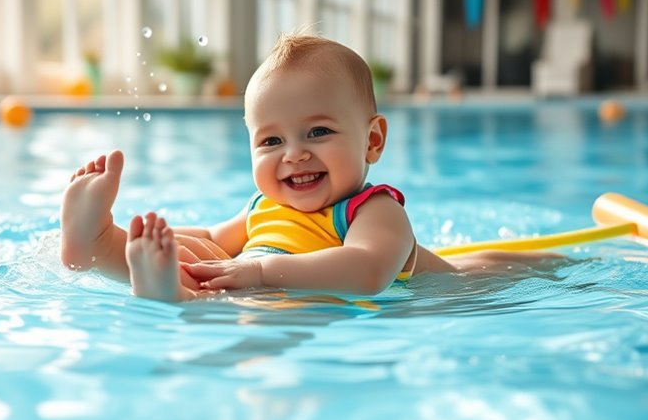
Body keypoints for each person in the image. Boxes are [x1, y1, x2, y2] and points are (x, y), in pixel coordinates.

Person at [60, 33, 558, 302]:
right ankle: (100, 243)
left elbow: (366, 273)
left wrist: (259, 271)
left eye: (317, 132)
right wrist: (154, 238)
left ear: (373, 140)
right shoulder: (265, 207)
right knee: (201, 251)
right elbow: (214, 233)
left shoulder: (373, 211)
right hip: (268, 284)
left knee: (490, 266)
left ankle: (172, 294)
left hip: (450, 288)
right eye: (271, 140)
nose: (293, 154)